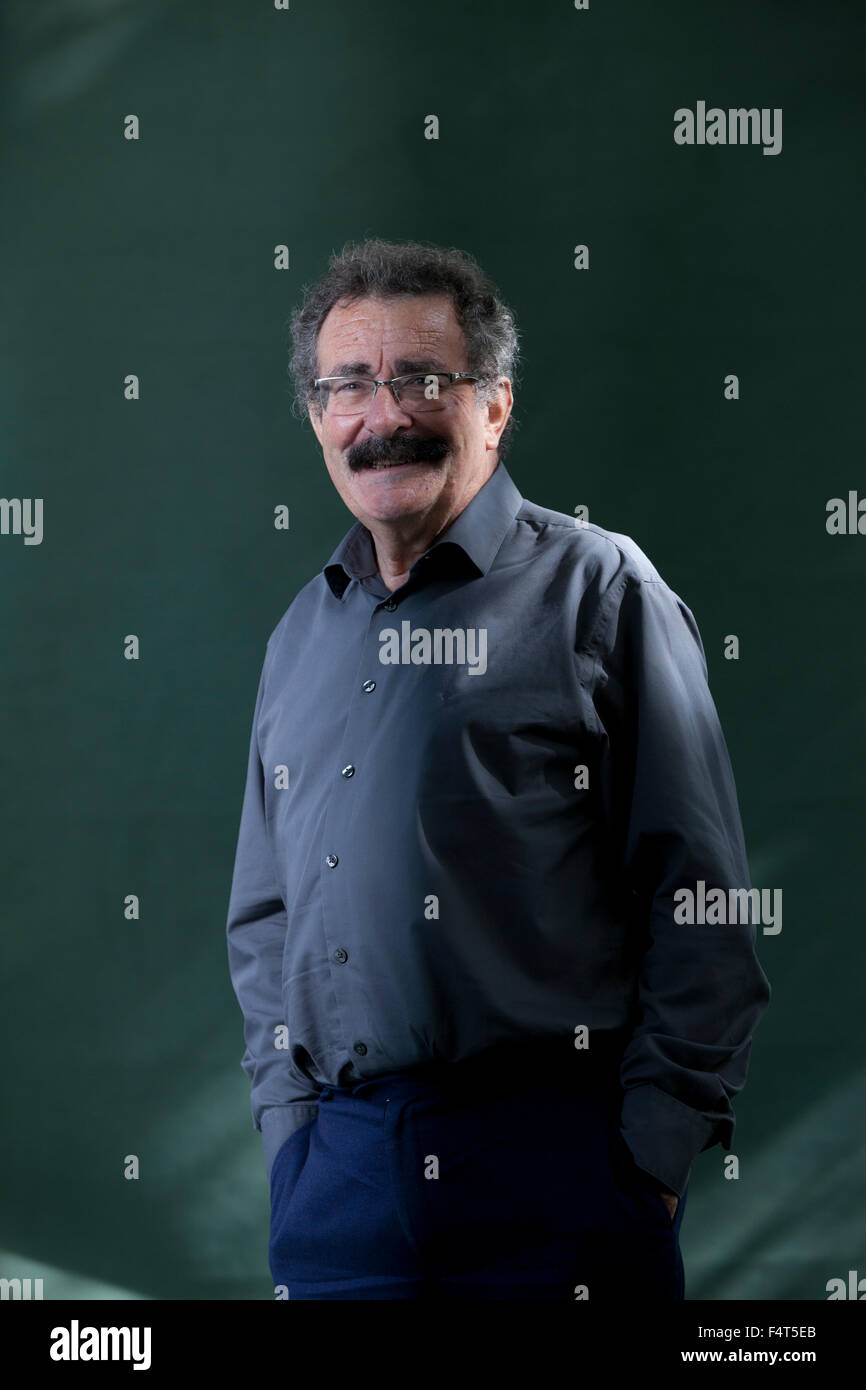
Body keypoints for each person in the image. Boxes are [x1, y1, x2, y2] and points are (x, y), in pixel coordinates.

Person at [225, 237, 771, 1300]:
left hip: (554, 1176)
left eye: (422, 380)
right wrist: (291, 1141)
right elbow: (265, 915)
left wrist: (641, 1165)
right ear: (316, 417)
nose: (381, 416)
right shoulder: (301, 633)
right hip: (335, 1187)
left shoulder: (599, 592)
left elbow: (698, 900)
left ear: (494, 406)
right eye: (346, 387)